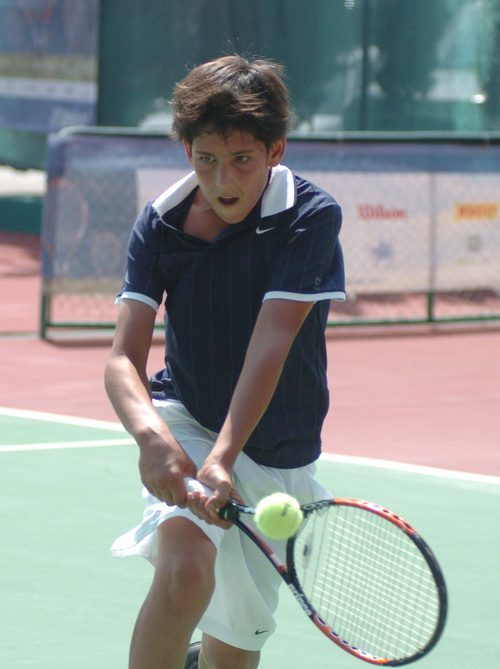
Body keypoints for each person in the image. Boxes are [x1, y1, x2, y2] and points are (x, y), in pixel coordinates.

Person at [105, 55, 345, 669]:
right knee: (186, 572)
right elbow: (122, 359)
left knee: (230, 657)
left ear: (275, 150)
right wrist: (153, 439)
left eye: (242, 159)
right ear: (188, 151)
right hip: (188, 418)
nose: (223, 179)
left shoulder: (310, 217)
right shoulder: (161, 223)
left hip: (278, 450)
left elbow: (272, 342)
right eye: (207, 159)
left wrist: (227, 456)